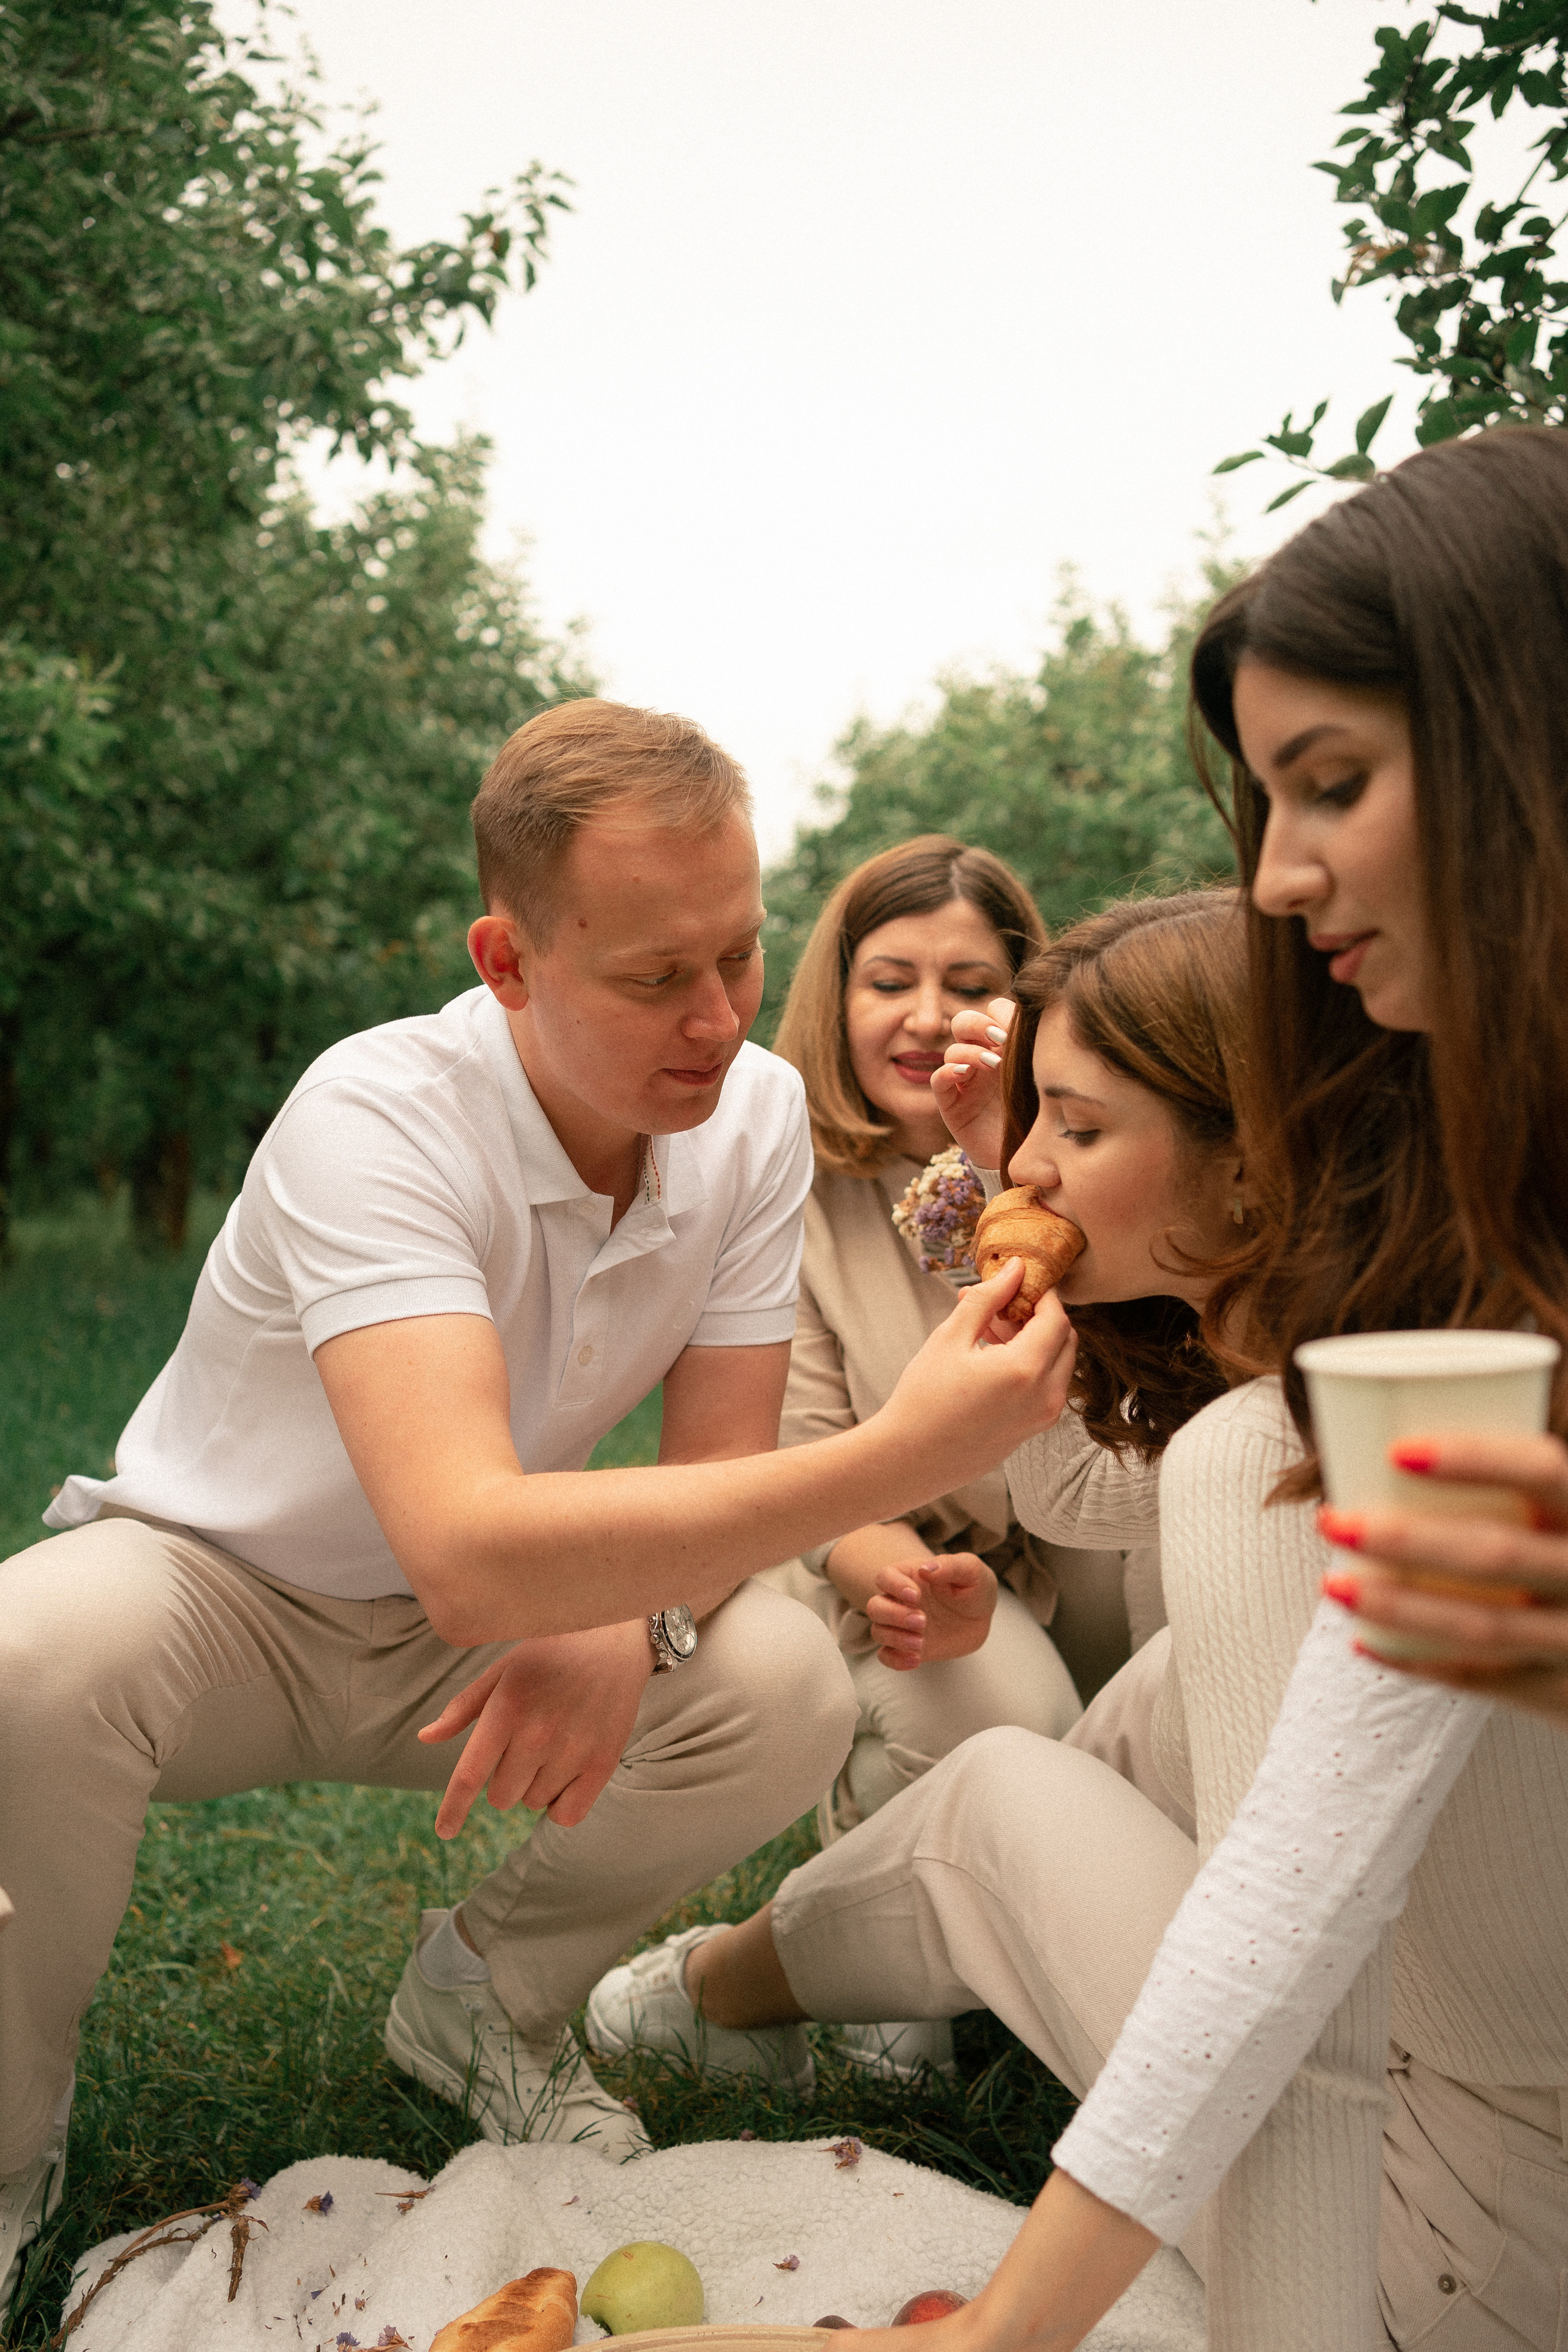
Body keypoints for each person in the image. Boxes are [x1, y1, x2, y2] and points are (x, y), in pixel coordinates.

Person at [594, 431, 1568, 2350]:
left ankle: (707, 1994)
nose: (1281, 876)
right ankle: (742, 1986)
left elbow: (1298, 1912)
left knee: (1029, 1779)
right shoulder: (1461, 1260)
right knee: (1128, 1727)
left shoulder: (1310, 1406)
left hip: (1464, 2235)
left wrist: (998, 2332)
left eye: (1336, 787)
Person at [0, 699, 1077, 2323]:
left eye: (741, 953)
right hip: (228, 1601)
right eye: (657, 976)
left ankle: (485, 2002)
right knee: (31, 1651)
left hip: (490, 1627)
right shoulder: (377, 1116)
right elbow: (462, 1541)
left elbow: (713, 1480)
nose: (719, 1018)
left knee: (780, 1681)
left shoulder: (756, 1115)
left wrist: (628, 1618)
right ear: (507, 963)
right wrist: (902, 1454)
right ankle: (8, 2149)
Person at [587, 886, 1245, 2103]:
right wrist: (900, 1568)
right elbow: (792, 1457)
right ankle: (867, 1970)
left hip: (1071, 1556)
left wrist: (1003, 1164)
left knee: (1106, 1688)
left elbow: (1106, 1467)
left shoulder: (1123, 1243)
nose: (928, 1016)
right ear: (833, 997)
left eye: (969, 983)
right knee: (999, 1717)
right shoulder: (785, 1191)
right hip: (903, 1555)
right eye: (889, 980)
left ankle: (1063, 1919)